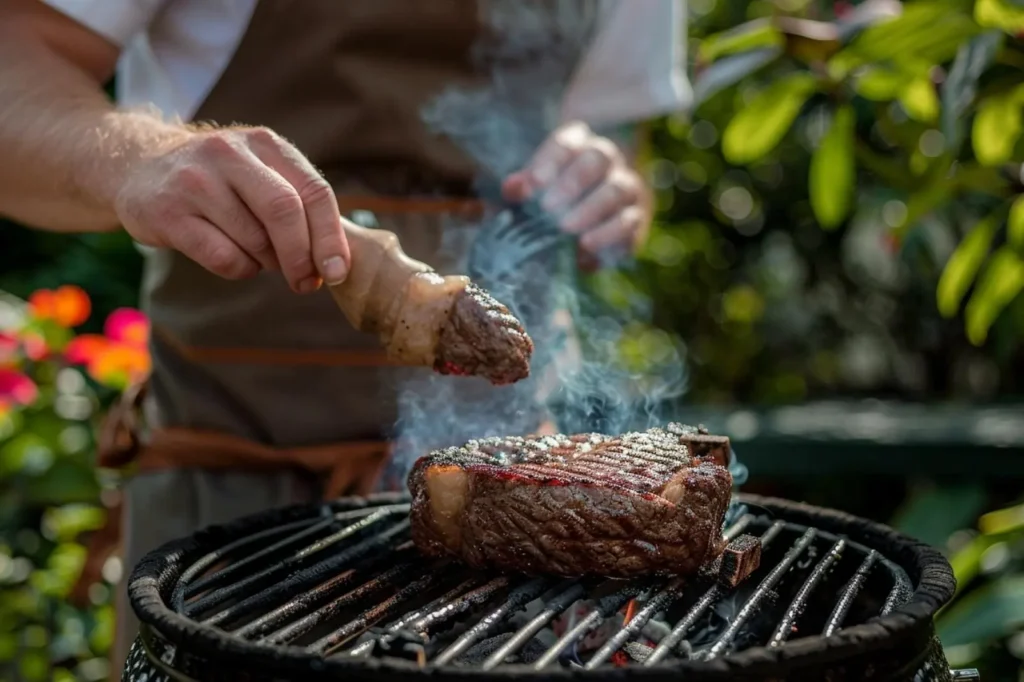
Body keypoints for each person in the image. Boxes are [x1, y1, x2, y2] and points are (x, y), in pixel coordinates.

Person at [0, 0, 692, 674]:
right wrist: (141, 158)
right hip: (232, 509)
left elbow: (617, 130)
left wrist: (610, 174)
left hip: (527, 519)